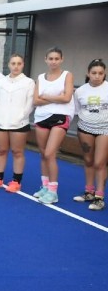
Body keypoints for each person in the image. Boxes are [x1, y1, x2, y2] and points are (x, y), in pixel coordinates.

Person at [32, 47, 75, 204]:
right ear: (46, 60)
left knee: (50, 153)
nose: (53, 61)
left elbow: (67, 98)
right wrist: (56, 97)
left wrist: (47, 96)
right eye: (51, 58)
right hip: (41, 117)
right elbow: (35, 100)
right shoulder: (40, 77)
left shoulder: (67, 75)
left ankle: (53, 191)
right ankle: (44, 186)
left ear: (61, 59)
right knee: (43, 154)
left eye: (57, 58)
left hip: (60, 117)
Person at [0, 54, 35, 193]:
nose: (16, 66)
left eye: (19, 63)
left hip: (19, 124)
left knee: (17, 152)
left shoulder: (29, 82)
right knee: (1, 150)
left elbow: (29, 104)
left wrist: (20, 118)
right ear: (8, 65)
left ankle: (16, 181)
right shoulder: (1, 81)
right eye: (13, 63)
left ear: (23, 65)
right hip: (1, 123)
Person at [72, 58, 108, 211]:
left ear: (104, 74)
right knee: (88, 160)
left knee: (99, 162)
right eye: (94, 73)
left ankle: (99, 197)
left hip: (104, 129)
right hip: (85, 128)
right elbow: (76, 110)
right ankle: (89, 192)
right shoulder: (80, 91)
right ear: (88, 73)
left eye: (100, 73)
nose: (97, 76)